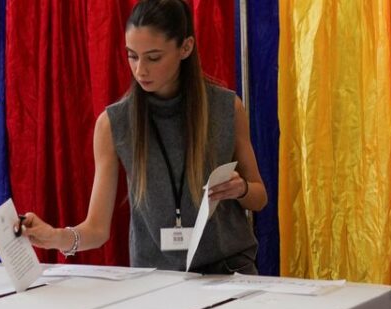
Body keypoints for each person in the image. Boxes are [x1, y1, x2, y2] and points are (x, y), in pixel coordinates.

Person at [17, 0, 267, 274]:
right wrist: (56, 236)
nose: (140, 70)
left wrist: (241, 188)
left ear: (185, 48)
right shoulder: (114, 125)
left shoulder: (226, 109)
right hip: (156, 283)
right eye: (132, 56)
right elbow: (97, 229)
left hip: (229, 274)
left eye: (153, 57)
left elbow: (259, 197)